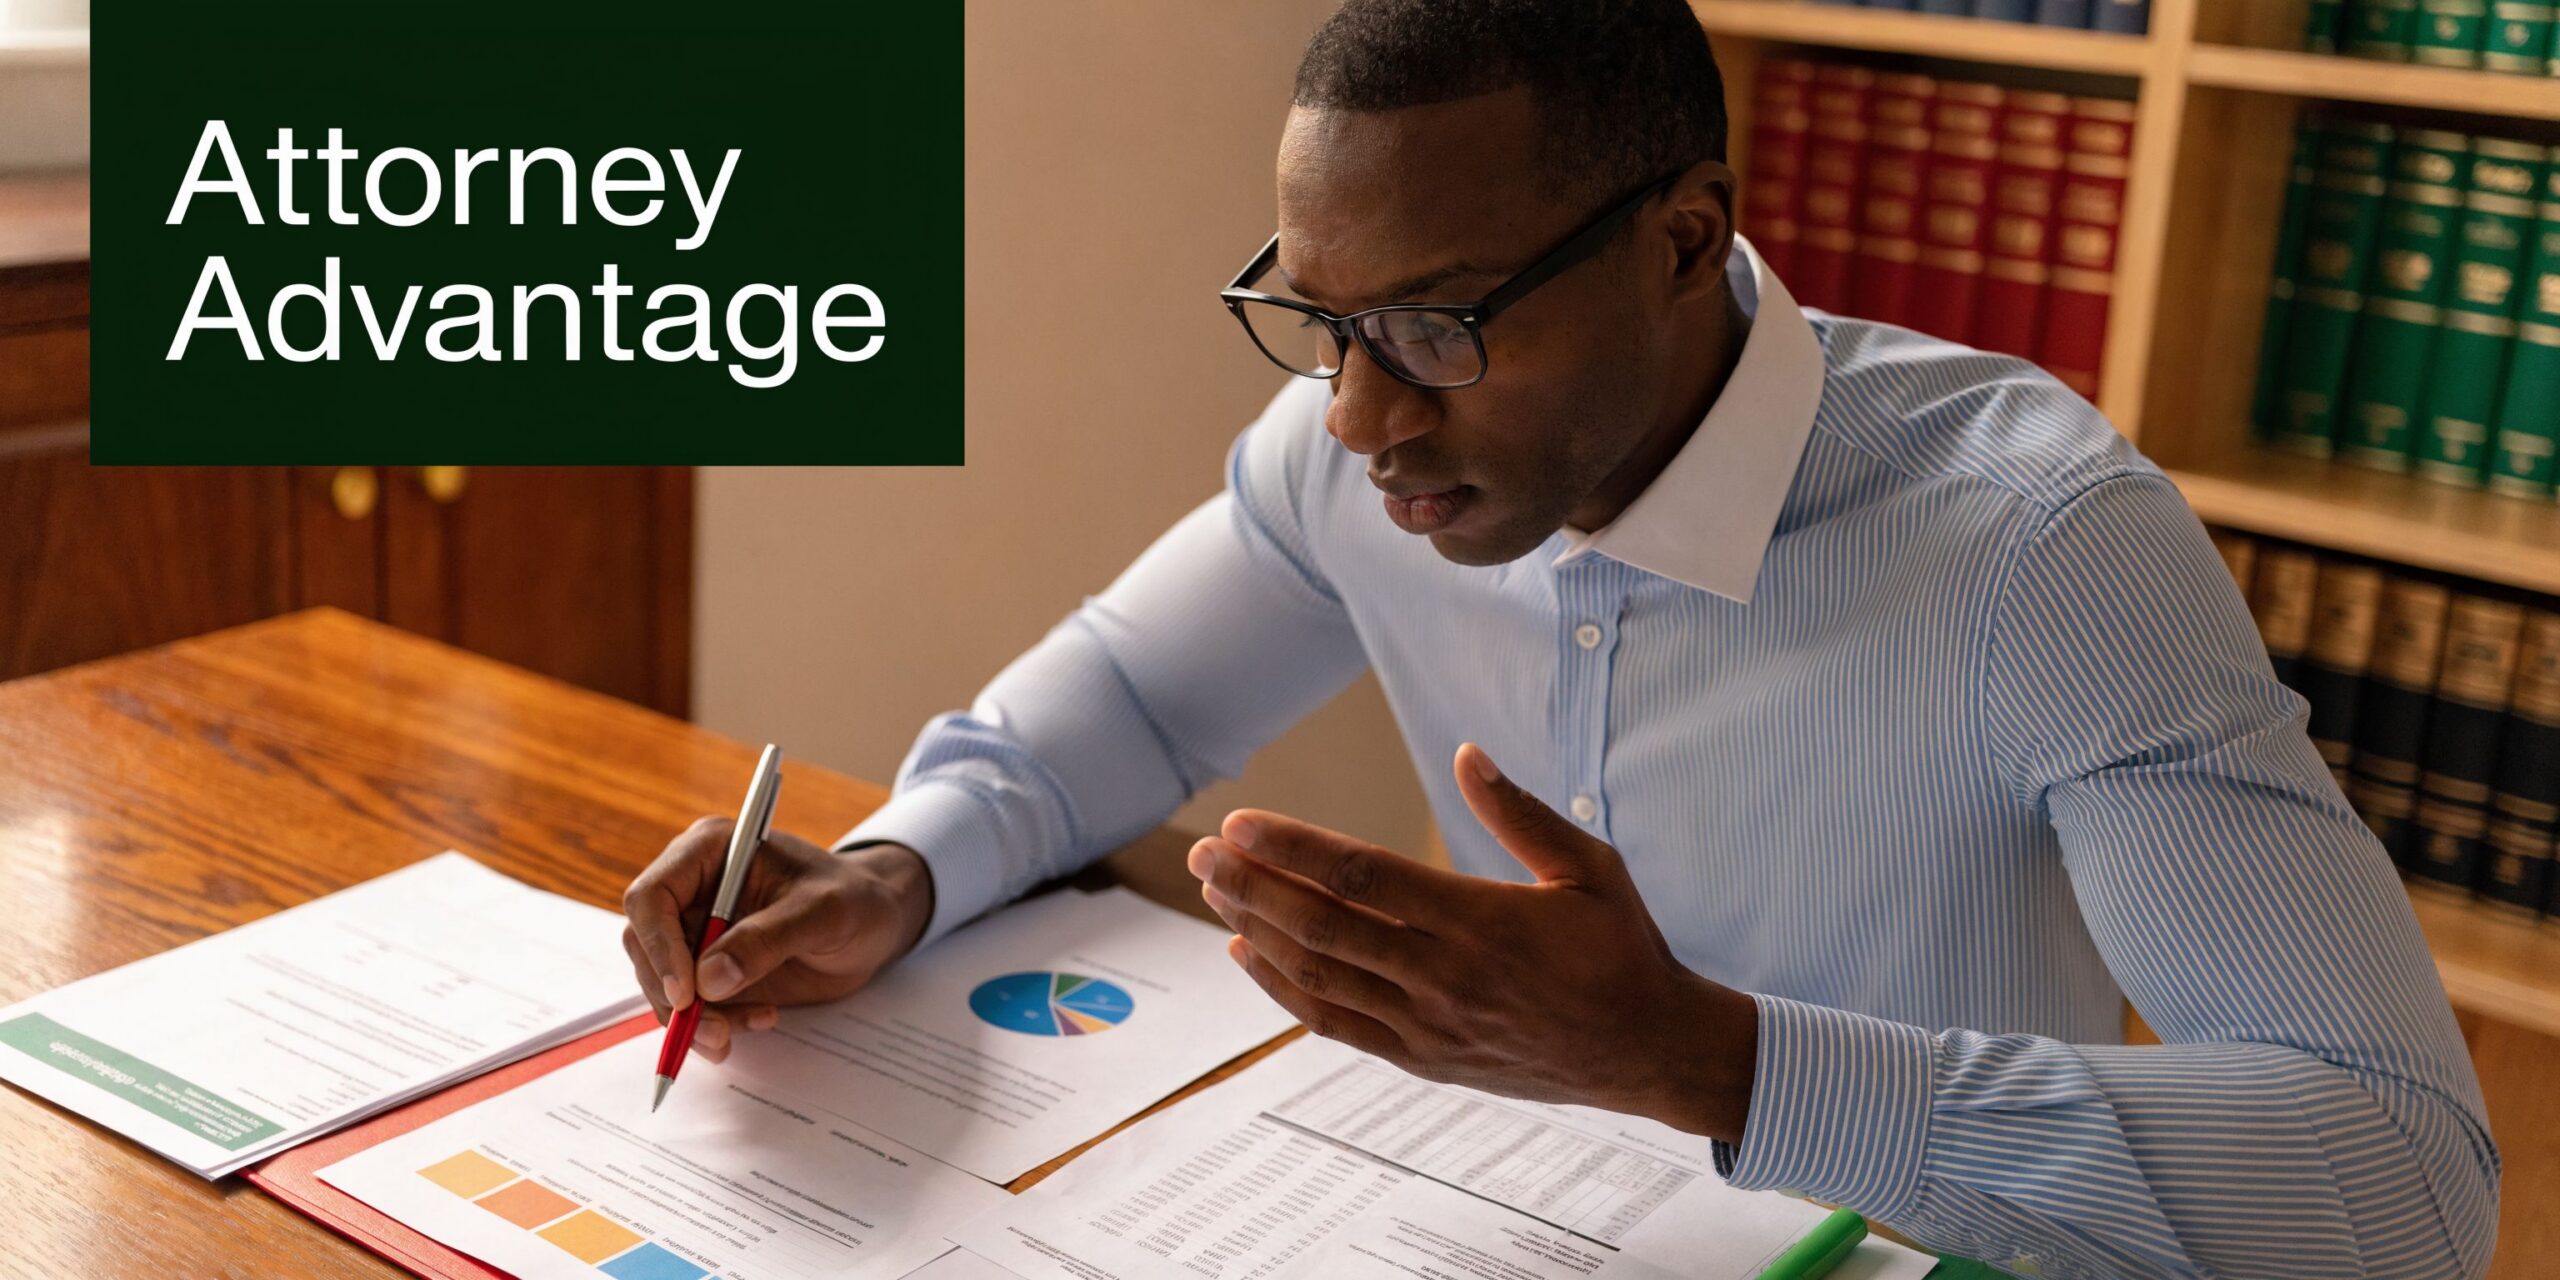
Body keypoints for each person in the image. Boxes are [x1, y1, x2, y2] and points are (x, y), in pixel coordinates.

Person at [619, 2, 2498, 1275]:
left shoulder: (2045, 550)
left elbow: (2408, 1180)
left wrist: (1716, 1062)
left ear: (1687, 242)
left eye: (1438, 326)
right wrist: (891, 868)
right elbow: (1109, 705)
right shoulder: (1357, 453)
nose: (1358, 419)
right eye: (1319, 320)